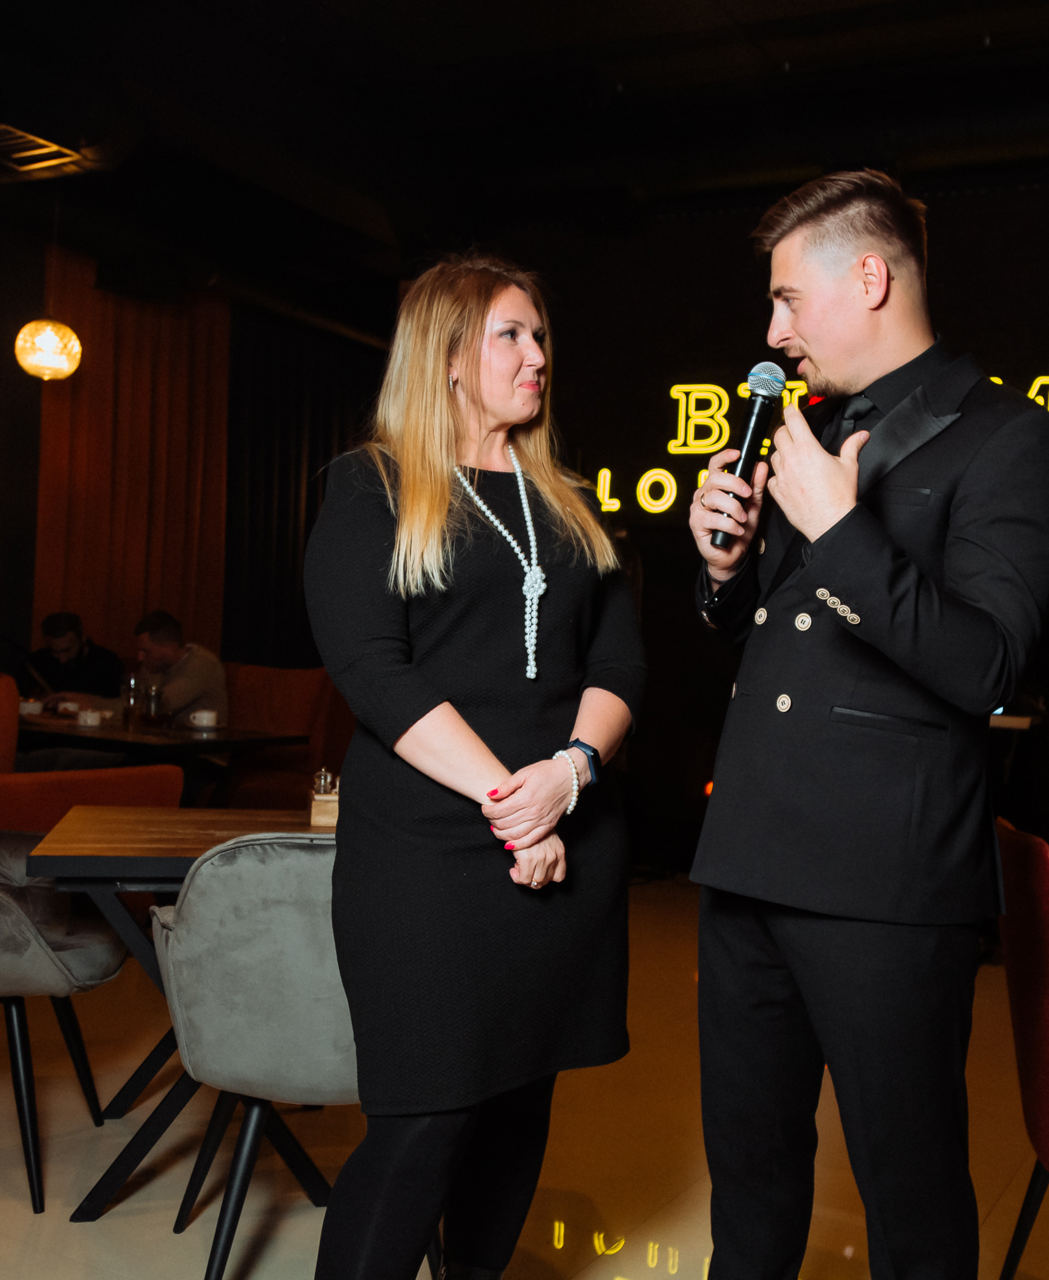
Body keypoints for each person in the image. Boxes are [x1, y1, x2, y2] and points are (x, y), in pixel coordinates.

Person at [686, 170, 1049, 1280]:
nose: (773, 332)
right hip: (747, 858)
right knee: (748, 1190)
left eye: (786, 300)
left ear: (869, 277)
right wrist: (723, 570)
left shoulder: (1007, 436)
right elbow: (773, 638)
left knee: (912, 1207)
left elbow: (986, 667)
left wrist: (838, 529)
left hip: (887, 887)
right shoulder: (803, 430)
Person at [302, 255, 643, 1279]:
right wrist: (515, 804)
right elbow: (372, 670)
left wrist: (568, 776)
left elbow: (621, 666)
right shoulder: (371, 485)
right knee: (424, 1122)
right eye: (511, 335)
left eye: (540, 335)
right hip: (426, 854)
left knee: (516, 1109)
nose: (538, 355)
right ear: (448, 356)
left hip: (565, 836)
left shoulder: (571, 503)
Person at [43, 611, 226, 726]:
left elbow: (150, 708)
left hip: (201, 756)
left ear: (168, 647)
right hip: (164, 748)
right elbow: (129, 703)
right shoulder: (153, 665)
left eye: (145, 651)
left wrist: (87, 703)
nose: (139, 658)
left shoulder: (201, 665)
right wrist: (78, 699)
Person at [26, 611, 126, 699]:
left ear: (82, 637)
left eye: (67, 650)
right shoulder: (38, 661)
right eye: (54, 651)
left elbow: (116, 703)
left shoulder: (108, 662)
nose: (62, 659)